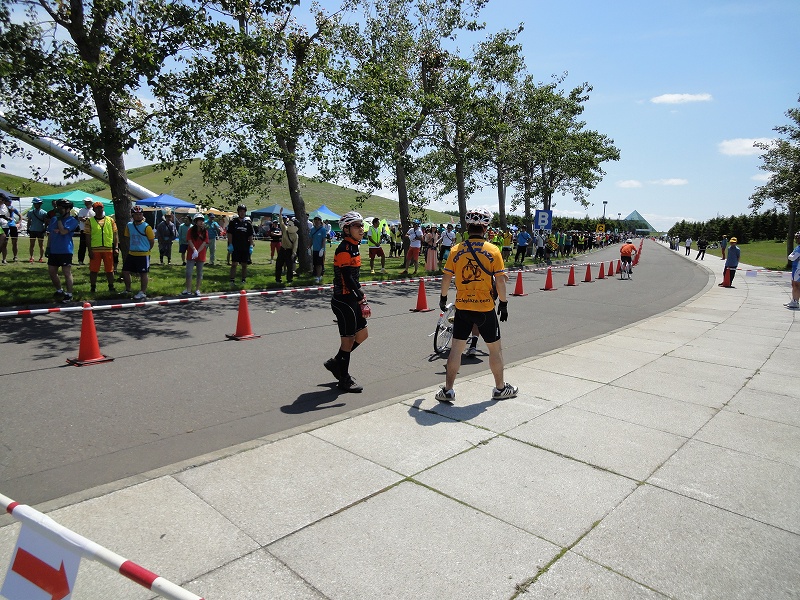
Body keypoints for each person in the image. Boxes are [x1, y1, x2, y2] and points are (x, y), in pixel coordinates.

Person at [436, 207, 517, 403]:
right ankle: (500, 388)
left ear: (468, 227)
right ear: (486, 228)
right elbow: (500, 281)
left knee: (456, 350)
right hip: (485, 308)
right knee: (495, 350)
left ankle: (448, 390)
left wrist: (443, 298)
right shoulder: (493, 250)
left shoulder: (456, 250)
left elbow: (447, 276)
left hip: (463, 306)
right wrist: (504, 304)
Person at [324, 211, 370, 393]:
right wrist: (361, 298)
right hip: (343, 300)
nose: (361, 228)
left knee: (362, 335)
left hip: (352, 297)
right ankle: (344, 378)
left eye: (361, 225)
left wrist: (359, 296)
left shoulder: (354, 246)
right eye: (357, 225)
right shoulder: (343, 248)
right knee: (348, 340)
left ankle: (337, 362)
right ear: (346, 229)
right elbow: (347, 278)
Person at [46, 199, 79, 302]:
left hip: (65, 250)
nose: (59, 210)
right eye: (58, 208)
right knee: (52, 272)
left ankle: (69, 294)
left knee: (66, 273)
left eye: (62, 208)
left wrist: (60, 220)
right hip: (54, 250)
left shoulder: (72, 221)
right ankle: (59, 290)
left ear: (68, 209)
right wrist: (48, 247)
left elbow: (64, 231)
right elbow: (51, 233)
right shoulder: (54, 219)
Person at [122, 205, 155, 300]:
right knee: (125, 271)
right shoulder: (129, 225)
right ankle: (128, 289)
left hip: (143, 254)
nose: (138, 216)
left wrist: (147, 249)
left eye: (140, 214)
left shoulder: (147, 227)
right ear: (132, 215)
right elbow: (127, 237)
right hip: (132, 253)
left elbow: (151, 240)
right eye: (136, 214)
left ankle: (143, 292)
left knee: (143, 273)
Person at [85, 201, 118, 293]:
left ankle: (111, 286)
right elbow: (87, 236)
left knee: (110, 270)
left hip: (108, 248)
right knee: (94, 270)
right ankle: (93, 287)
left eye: (101, 208)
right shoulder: (89, 221)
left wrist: (116, 247)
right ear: (94, 209)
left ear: (103, 208)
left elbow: (115, 235)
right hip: (95, 249)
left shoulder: (110, 220)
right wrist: (89, 250)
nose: (99, 209)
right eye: (97, 208)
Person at [182, 214, 209, 296]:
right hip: (191, 254)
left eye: (202, 220)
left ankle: (197, 289)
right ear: (195, 221)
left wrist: (198, 251)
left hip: (201, 254)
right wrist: (194, 250)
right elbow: (189, 240)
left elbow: (204, 242)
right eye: (199, 220)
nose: (201, 222)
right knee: (188, 272)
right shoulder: (191, 230)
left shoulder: (205, 231)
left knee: (199, 272)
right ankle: (188, 289)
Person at [227, 204, 253, 288]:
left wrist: (251, 246)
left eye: (243, 212)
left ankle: (243, 279)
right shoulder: (233, 222)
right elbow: (230, 234)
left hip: (245, 246)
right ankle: (232, 280)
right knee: (234, 264)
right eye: (241, 211)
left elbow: (250, 236)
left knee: (244, 264)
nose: (242, 213)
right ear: (238, 212)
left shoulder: (248, 224)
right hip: (235, 246)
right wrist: (230, 244)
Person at [276, 211, 298, 283]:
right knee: (279, 264)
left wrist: (293, 253)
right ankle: (278, 279)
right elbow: (281, 222)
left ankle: (289, 279)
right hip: (282, 249)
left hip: (289, 251)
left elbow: (295, 245)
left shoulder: (295, 236)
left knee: (289, 266)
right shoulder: (285, 229)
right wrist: (280, 214)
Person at [27, 198, 49, 263]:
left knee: (41, 245)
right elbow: (29, 221)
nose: (36, 205)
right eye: (35, 204)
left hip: (40, 230)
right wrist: (28, 228)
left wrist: (45, 229)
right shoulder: (30, 212)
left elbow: (46, 222)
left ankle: (41, 257)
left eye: (38, 204)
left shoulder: (44, 213)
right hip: (32, 230)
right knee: (31, 244)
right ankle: (31, 257)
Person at [75, 197, 95, 264]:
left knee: (93, 246)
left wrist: (87, 219)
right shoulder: (82, 210)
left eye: (88, 202)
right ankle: (80, 260)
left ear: (91, 202)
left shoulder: (94, 210)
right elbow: (80, 218)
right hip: (83, 230)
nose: (86, 203)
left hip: (93, 230)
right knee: (82, 246)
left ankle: (92, 260)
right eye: (85, 202)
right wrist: (88, 219)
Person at [310, 215, 328, 284]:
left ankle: (318, 276)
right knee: (315, 263)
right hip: (314, 249)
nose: (317, 221)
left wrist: (322, 249)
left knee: (319, 264)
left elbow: (323, 240)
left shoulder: (323, 230)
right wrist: (309, 247)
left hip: (320, 249)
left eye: (318, 220)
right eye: (315, 220)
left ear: (320, 221)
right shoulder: (312, 229)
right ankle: (317, 275)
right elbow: (311, 239)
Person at [786, 231, 800, 310]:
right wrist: (791, 256)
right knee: (793, 284)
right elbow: (791, 256)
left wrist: (791, 256)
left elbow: (793, 257)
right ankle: (794, 299)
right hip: (795, 268)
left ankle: (796, 301)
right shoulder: (797, 247)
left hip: (798, 268)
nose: (797, 239)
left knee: (796, 285)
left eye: (798, 238)